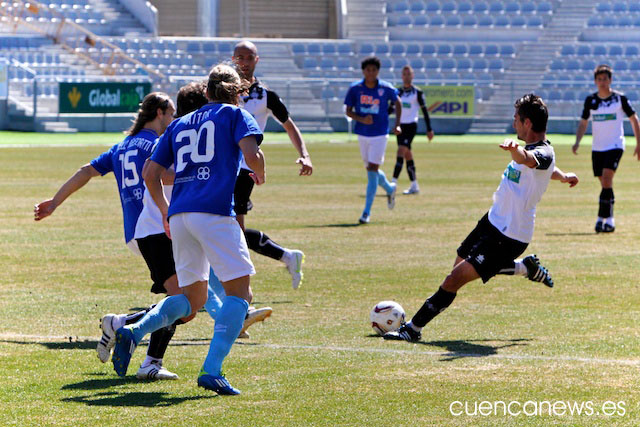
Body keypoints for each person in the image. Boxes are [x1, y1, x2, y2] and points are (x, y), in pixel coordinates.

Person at [112, 64, 265, 396]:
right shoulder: (235, 115)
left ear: (207, 92)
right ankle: (212, 370)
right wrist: (260, 169)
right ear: (237, 92)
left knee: (192, 298)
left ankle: (135, 330)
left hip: (180, 217)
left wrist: (166, 212)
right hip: (214, 213)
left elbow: (150, 173)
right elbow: (252, 155)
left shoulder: (178, 124)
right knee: (241, 294)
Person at [384, 94, 579, 343]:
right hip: (491, 222)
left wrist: (515, 150)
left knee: (454, 279)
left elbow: (530, 161)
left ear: (527, 123)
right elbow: (542, 168)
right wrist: (563, 176)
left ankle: (412, 329)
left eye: (517, 119)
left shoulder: (541, 152)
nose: (514, 122)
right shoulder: (540, 156)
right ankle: (525, 267)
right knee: (460, 267)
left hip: (509, 235)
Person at [33, 92, 189, 380]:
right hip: (154, 228)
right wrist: (193, 173)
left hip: (138, 231)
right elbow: (158, 175)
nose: (174, 118)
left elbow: (85, 171)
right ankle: (131, 337)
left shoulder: (121, 146)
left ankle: (136, 341)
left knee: (182, 298)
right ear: (159, 113)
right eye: (171, 113)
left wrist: (55, 202)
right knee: (182, 298)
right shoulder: (154, 144)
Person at [232, 40, 312, 290]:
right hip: (219, 168)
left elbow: (289, 125)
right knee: (226, 229)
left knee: (230, 230)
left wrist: (305, 154)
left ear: (257, 60)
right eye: (239, 57)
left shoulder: (265, 95)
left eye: (249, 57)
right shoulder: (219, 91)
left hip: (244, 170)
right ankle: (286, 257)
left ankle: (237, 291)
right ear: (232, 60)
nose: (244, 62)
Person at [572, 64, 640, 233]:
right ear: (595, 81)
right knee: (604, 183)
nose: (602, 82)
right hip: (598, 148)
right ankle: (609, 218)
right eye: (599, 79)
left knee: (607, 179)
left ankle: (603, 220)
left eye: (605, 79)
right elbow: (583, 122)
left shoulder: (619, 99)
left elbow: (634, 119)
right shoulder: (591, 100)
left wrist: (639, 143)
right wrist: (577, 141)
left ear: (610, 80)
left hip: (615, 145)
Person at [344, 56, 402, 224]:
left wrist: (397, 124)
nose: (371, 73)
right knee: (371, 169)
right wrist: (361, 119)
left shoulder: (385, 88)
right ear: (363, 71)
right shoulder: (355, 88)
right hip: (362, 133)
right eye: (368, 70)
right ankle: (390, 189)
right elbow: (348, 111)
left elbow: (397, 101)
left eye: (374, 70)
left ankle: (366, 212)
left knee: (372, 171)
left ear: (378, 71)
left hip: (379, 133)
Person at [391, 65, 434, 195]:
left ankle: (392, 183)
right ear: (401, 76)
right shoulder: (397, 92)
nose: (407, 76)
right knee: (407, 154)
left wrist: (429, 129)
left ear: (412, 76)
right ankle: (414, 185)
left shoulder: (417, 93)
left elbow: (425, 111)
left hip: (411, 126)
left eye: (409, 74)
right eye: (404, 74)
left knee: (400, 151)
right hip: (400, 126)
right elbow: (390, 109)